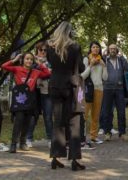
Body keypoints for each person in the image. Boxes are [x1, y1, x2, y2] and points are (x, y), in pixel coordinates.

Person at [47, 21, 86, 171]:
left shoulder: (50, 46)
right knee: (74, 123)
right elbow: (80, 67)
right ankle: (74, 160)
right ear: (70, 32)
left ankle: (55, 157)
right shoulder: (75, 46)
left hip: (55, 85)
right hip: (70, 86)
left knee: (58, 123)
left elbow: (52, 64)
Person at [2, 52, 51, 153]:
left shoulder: (36, 72)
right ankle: (13, 144)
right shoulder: (17, 69)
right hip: (20, 100)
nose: (29, 61)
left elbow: (48, 74)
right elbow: (4, 66)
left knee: (28, 121)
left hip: (31, 100)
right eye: (27, 59)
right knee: (19, 120)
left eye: (31, 59)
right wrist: (14, 60)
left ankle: (23, 142)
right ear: (23, 60)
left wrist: (39, 63)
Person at [101, 44, 128, 142]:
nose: (113, 50)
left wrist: (122, 57)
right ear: (108, 50)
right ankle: (107, 132)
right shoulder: (104, 59)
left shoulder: (120, 60)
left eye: (114, 49)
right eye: (111, 49)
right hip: (107, 88)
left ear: (117, 50)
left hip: (119, 89)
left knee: (121, 111)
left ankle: (122, 133)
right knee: (107, 112)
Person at [26, 41, 53, 149]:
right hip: (34, 92)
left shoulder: (50, 62)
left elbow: (49, 74)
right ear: (37, 50)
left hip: (47, 92)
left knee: (48, 116)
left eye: (45, 50)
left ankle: (50, 139)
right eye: (40, 50)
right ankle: (28, 138)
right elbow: (30, 73)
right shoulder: (31, 61)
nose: (43, 52)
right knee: (33, 116)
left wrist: (41, 67)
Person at [80, 42, 108, 145]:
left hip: (99, 89)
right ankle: (81, 137)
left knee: (96, 115)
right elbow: (82, 76)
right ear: (90, 49)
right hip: (88, 89)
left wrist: (104, 66)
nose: (95, 49)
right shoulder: (86, 59)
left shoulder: (102, 60)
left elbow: (105, 78)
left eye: (97, 47)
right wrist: (90, 65)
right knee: (84, 114)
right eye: (93, 47)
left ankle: (93, 136)